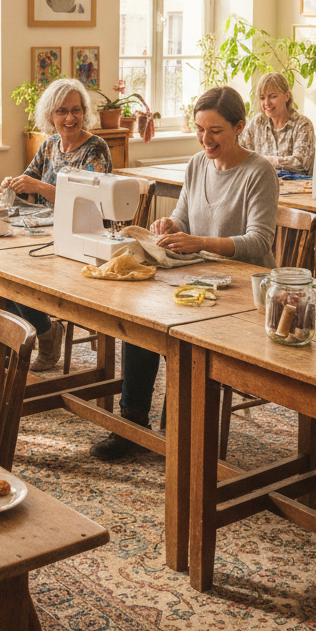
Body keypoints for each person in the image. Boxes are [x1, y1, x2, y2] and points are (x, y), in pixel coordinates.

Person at [90, 86, 279, 460]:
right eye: (199, 129)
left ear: (240, 126)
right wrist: (170, 225)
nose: (205, 139)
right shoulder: (197, 164)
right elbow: (184, 217)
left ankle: (183, 435)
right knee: (142, 321)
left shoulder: (259, 172)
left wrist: (200, 242)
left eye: (216, 131)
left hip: (245, 291)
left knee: (177, 334)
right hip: (201, 277)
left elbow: (259, 242)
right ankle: (133, 425)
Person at [1, 77, 112, 371]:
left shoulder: (95, 149)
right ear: (50, 115)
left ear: (84, 112)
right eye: (62, 111)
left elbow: (91, 202)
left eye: (76, 110)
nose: (70, 118)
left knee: (15, 277)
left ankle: (46, 332)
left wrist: (38, 186)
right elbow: (28, 180)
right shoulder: (49, 145)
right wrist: (13, 184)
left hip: (81, 240)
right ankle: (22, 338)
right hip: (45, 235)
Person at [239, 71, 316, 175]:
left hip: (297, 185)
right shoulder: (256, 123)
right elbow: (240, 154)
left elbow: (302, 163)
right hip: (262, 183)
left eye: (273, 96)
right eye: (262, 98)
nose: (267, 103)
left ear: (287, 96)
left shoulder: (303, 124)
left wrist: (270, 161)